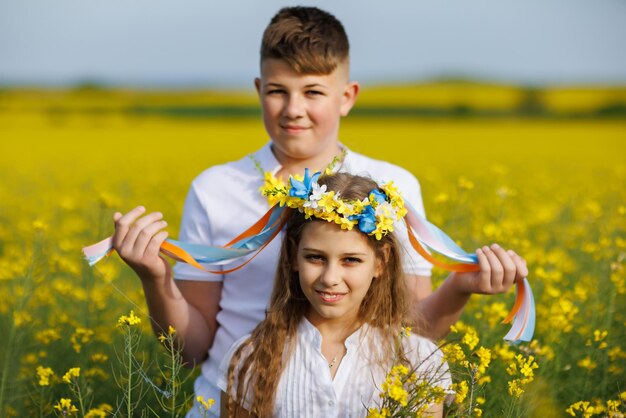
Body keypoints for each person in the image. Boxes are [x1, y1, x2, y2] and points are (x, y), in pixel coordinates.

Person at [110, 6, 528, 416]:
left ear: (347, 97)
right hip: (236, 402)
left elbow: (410, 332)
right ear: (259, 90)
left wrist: (459, 289)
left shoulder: (391, 185)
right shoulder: (215, 188)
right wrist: (156, 279)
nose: (293, 109)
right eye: (277, 91)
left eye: (313, 92)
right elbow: (191, 352)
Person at [217, 172, 453, 418]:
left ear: (380, 262)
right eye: (315, 257)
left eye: (350, 260)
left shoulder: (419, 360)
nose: (330, 278)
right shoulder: (252, 358)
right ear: (292, 256)